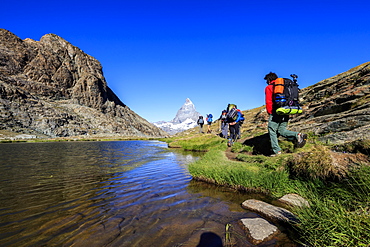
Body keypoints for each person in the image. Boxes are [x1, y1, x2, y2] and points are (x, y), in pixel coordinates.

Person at [264, 72, 307, 156]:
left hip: (276, 111)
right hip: (286, 109)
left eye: (266, 81)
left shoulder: (269, 87)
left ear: (269, 80)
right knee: (281, 130)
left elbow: (269, 101)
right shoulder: (284, 86)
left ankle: (277, 151)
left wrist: (270, 113)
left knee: (272, 130)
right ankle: (298, 135)